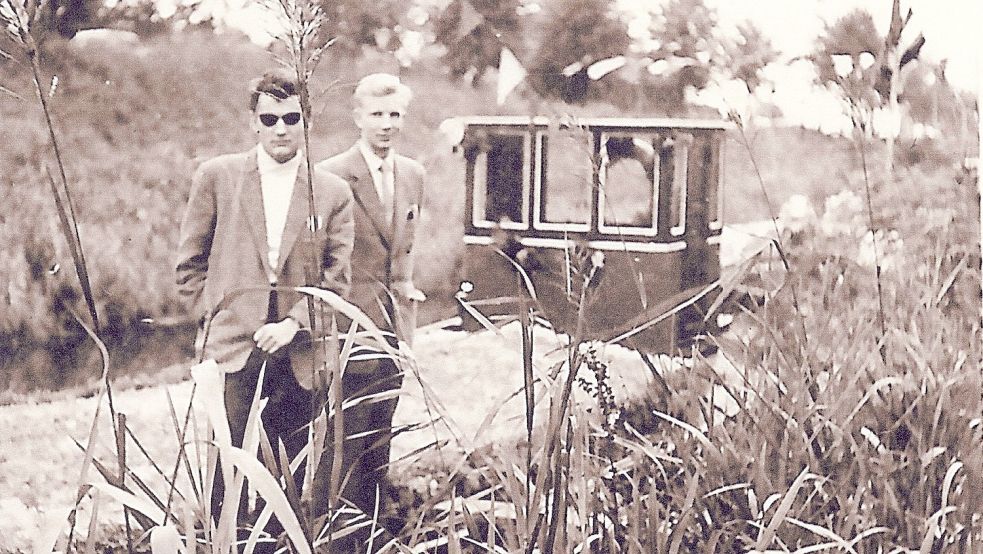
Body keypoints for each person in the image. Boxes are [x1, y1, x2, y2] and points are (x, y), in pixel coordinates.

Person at [175, 69, 354, 547]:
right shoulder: (218, 177)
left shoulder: (331, 191)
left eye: (291, 118)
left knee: (290, 471)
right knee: (225, 470)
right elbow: (189, 267)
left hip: (300, 357)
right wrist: (216, 324)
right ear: (253, 122)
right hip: (234, 352)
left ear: (307, 122)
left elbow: (337, 282)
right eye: (269, 118)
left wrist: (295, 325)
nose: (280, 128)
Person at [314, 72, 425, 532]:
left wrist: (408, 330)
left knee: (383, 433)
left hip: (393, 329)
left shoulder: (414, 174)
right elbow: (318, 260)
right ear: (357, 117)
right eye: (377, 114)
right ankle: (330, 529)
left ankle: (371, 531)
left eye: (395, 114)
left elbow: (403, 256)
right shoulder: (331, 174)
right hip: (347, 329)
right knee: (343, 438)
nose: (386, 124)